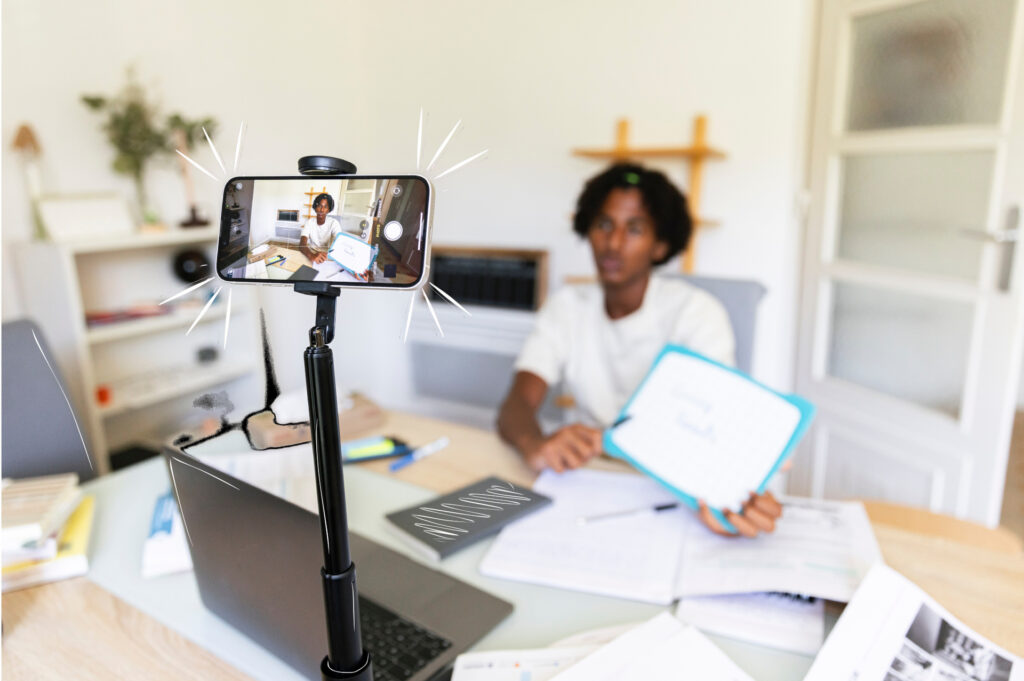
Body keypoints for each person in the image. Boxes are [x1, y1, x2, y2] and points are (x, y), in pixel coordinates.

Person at [497, 163, 782, 537]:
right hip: (584, 479)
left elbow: (717, 430)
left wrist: (729, 492)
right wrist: (534, 444)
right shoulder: (566, 307)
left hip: (671, 486)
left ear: (660, 245)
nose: (613, 244)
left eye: (634, 229)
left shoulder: (696, 314)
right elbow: (516, 404)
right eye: (603, 225)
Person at [299, 193, 342, 264]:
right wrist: (311, 256)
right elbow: (302, 244)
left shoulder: (334, 223)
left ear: (329, 210)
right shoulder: (309, 222)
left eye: (325, 207)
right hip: (311, 253)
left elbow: (339, 243)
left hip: (328, 255)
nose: (322, 210)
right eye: (319, 206)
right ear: (315, 208)